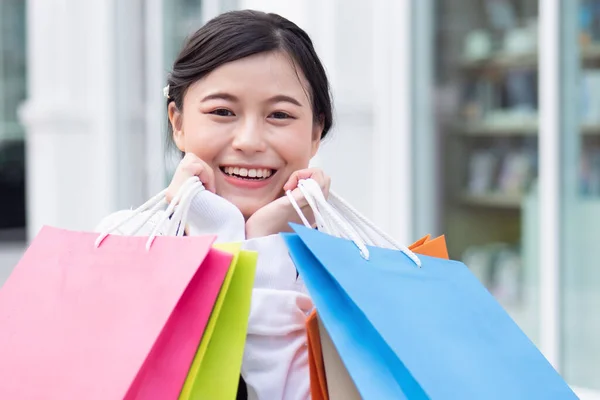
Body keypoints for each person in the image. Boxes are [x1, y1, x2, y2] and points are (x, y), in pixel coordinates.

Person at [96, 9, 334, 400]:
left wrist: (264, 244)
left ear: (315, 132)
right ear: (178, 123)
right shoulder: (123, 242)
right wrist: (220, 233)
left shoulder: (349, 272)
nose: (250, 141)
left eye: (280, 115)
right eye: (222, 111)